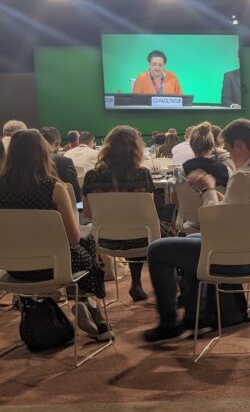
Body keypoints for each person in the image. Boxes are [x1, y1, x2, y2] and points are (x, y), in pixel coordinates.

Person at [145, 119, 250, 344]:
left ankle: (169, 324)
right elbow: (241, 212)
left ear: (239, 145)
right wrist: (217, 195)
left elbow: (214, 225)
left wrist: (207, 189)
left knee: (157, 250)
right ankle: (198, 317)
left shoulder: (244, 176)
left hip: (242, 257)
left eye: (228, 148)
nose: (228, 154)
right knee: (194, 242)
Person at [0, 130, 107, 316]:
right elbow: (73, 239)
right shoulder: (54, 187)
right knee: (87, 242)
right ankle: (89, 306)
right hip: (54, 266)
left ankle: (76, 304)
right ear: (43, 152)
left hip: (12, 268)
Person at [81, 125, 155, 302]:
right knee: (159, 233)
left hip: (105, 240)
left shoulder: (91, 176)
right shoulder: (142, 174)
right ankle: (138, 283)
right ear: (136, 149)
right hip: (142, 239)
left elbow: (88, 213)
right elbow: (148, 213)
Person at [179, 123, 231, 189]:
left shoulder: (182, 170)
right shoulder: (225, 171)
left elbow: (175, 196)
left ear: (191, 146)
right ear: (212, 146)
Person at [39, 127, 82, 201]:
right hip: (61, 208)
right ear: (57, 143)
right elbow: (76, 195)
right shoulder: (65, 162)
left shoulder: (24, 163)